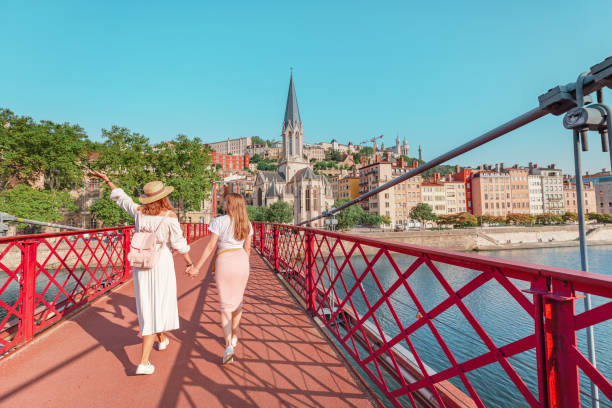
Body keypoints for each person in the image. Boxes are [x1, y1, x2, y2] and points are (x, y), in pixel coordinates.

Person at [89, 170, 194, 375]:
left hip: (141, 262)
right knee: (159, 305)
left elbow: (122, 198)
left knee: (148, 303)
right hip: (161, 262)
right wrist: (190, 263)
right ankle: (143, 362)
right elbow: (179, 243)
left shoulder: (138, 212)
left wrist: (108, 180)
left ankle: (161, 338)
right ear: (164, 197)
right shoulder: (169, 216)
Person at [189, 193, 252, 364]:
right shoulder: (247, 223)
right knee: (238, 302)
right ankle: (235, 336)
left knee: (225, 306)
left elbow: (210, 246)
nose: (222, 202)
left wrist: (197, 267)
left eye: (224, 201)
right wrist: (245, 265)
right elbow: (247, 248)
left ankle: (228, 346)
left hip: (224, 261)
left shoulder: (219, 221)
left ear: (229, 204)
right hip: (241, 261)